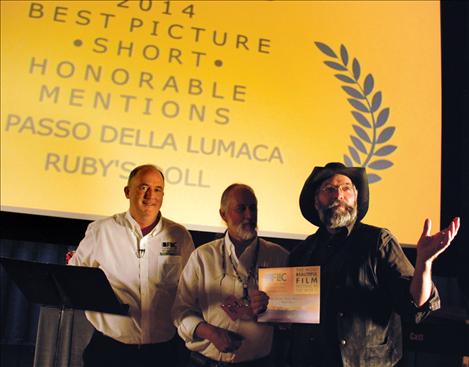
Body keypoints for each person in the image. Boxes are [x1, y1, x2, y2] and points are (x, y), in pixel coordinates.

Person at [288, 162, 460, 367]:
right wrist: (266, 305)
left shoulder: (379, 241)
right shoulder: (302, 253)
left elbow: (414, 306)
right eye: (329, 189)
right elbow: (289, 316)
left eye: (346, 188)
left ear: (356, 198)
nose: (338, 195)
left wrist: (424, 262)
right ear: (316, 202)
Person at [69, 164, 194, 367]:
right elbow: (74, 280)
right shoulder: (101, 231)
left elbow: (191, 288)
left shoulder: (179, 235)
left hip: (164, 353)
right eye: (143, 187)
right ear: (127, 192)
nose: (150, 195)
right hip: (109, 351)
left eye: (157, 189)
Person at [172, 184, 289, 366]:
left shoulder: (279, 256)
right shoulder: (202, 256)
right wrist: (211, 333)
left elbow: (292, 320)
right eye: (241, 209)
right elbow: (181, 311)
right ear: (223, 214)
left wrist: (273, 309)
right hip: (204, 362)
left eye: (253, 208)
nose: (249, 215)